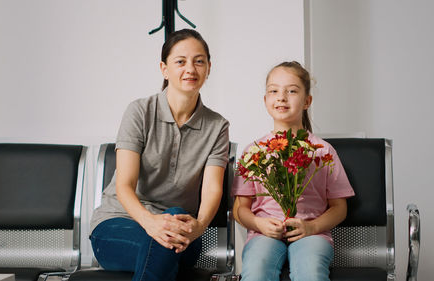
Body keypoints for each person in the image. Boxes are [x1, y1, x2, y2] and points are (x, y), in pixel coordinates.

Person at [89, 29, 230, 281]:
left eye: (199, 61)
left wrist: (199, 226)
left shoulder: (217, 126)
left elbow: (212, 190)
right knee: (163, 245)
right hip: (119, 224)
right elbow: (125, 185)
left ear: (209, 68)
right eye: (180, 62)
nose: (191, 69)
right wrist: (150, 222)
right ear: (164, 69)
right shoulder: (140, 112)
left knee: (173, 220)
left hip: (184, 230)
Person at [232, 61, 355, 281]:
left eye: (291, 91)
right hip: (264, 233)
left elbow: (339, 207)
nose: (281, 97)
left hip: (312, 233)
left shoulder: (322, 151)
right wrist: (259, 224)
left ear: (307, 101)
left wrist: (311, 227)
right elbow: (240, 208)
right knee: (256, 271)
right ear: (265, 100)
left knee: (310, 272)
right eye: (274, 91)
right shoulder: (254, 152)